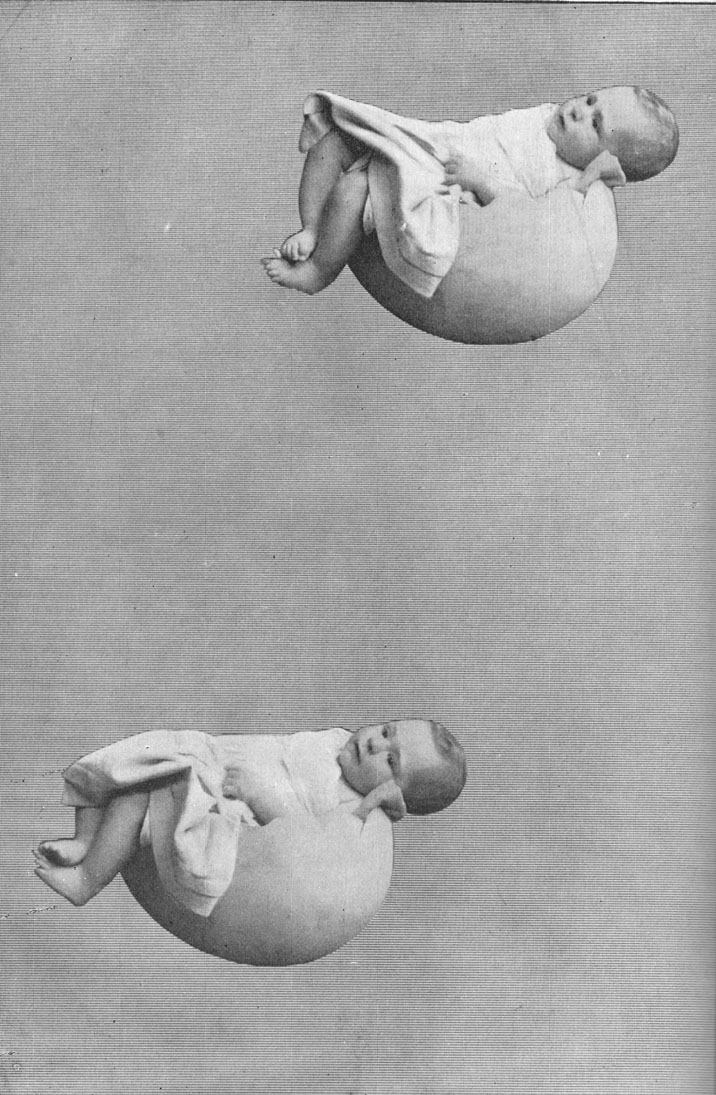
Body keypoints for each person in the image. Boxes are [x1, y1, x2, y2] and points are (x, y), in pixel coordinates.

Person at [261, 86, 678, 299]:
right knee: (334, 141)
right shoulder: (549, 119)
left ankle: (319, 271)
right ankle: (313, 227)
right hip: (437, 144)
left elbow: (518, 213)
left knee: (354, 187)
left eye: (595, 124)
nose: (579, 110)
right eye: (590, 99)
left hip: (444, 181)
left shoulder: (560, 177)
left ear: (601, 161)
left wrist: (480, 180)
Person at [33, 719, 467, 915]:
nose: (374, 744)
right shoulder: (340, 741)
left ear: (392, 794)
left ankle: (87, 880)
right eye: (387, 731)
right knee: (130, 760)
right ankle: (85, 839)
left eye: (391, 762)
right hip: (219, 759)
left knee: (138, 796)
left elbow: (300, 829)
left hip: (232, 804)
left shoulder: (347, 802)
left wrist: (257, 792)